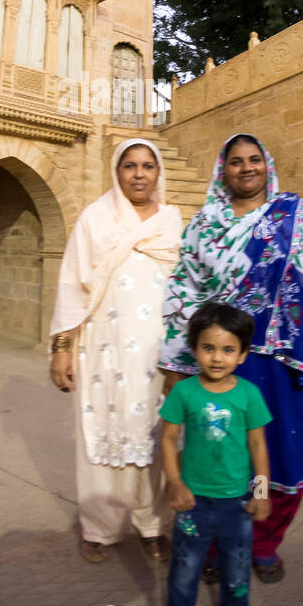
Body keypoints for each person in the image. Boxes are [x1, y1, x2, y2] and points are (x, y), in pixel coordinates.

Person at [159, 134, 303, 582]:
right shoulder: (203, 226)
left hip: (291, 364)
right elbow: (182, 293)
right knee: (219, 456)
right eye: (235, 162)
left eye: (254, 160)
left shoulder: (296, 214)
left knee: (288, 453)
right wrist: (173, 363)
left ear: (266, 165)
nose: (246, 168)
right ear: (221, 171)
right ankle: (216, 542)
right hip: (227, 363)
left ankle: (265, 543)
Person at [49, 138, 182, 563]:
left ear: (158, 172)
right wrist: (62, 348)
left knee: (157, 438)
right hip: (104, 353)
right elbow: (72, 284)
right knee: (100, 439)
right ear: (117, 171)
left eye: (147, 166)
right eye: (130, 166)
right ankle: (99, 528)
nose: (139, 174)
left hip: (158, 358)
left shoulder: (173, 223)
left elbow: (190, 289)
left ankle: (153, 524)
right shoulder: (95, 219)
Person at [154, 302, 272, 606]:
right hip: (192, 499)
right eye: (208, 348)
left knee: (236, 562)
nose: (217, 358)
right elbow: (168, 438)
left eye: (227, 350)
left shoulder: (249, 395)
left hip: (237, 501)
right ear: (194, 350)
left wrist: (261, 491)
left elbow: (258, 445)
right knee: (185, 562)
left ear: (243, 355)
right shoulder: (184, 392)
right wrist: (174, 482)